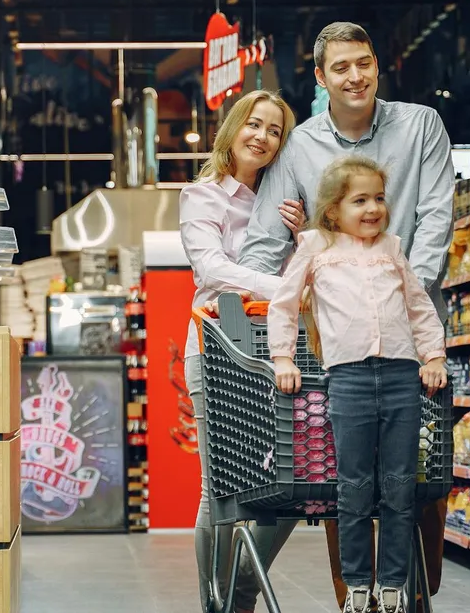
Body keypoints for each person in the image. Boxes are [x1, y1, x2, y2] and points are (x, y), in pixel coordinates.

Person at [237, 21, 455, 611]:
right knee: (346, 478)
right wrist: (299, 269)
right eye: (341, 67)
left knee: (420, 481)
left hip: (414, 334)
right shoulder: (300, 146)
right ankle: (355, 594)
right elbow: (261, 245)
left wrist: (398, 283)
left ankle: (414, 587)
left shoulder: (420, 126)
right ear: (320, 77)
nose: (354, 76)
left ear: (377, 64)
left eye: (363, 62)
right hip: (337, 345)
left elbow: (436, 217)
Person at [267, 155, 448, 613]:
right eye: (360, 200)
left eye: (380, 198)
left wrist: (433, 355)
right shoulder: (315, 247)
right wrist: (283, 357)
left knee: (399, 484)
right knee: (353, 485)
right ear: (333, 210)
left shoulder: (391, 247)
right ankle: (356, 585)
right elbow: (284, 305)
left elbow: (419, 307)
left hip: (402, 375)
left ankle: (392, 584)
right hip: (346, 378)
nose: (373, 209)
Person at [178, 89, 304, 613]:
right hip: (215, 347)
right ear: (233, 128)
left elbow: (308, 268)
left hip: (276, 351)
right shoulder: (202, 195)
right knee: (221, 488)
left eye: (275, 131)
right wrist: (285, 288)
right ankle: (214, 601)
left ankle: (242, 590)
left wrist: (304, 238)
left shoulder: (284, 205)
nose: (263, 137)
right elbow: (212, 270)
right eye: (255, 124)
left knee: (296, 480)